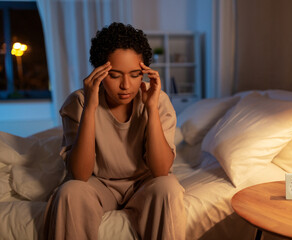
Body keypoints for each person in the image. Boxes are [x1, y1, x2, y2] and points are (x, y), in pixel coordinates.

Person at [44, 22, 186, 240]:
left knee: (169, 188)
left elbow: (160, 171)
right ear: (99, 72)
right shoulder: (79, 101)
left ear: (145, 72)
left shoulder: (158, 100)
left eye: (135, 74)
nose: (126, 86)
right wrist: (91, 107)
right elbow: (79, 174)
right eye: (115, 75)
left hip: (143, 184)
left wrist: (151, 108)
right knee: (69, 192)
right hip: (98, 184)